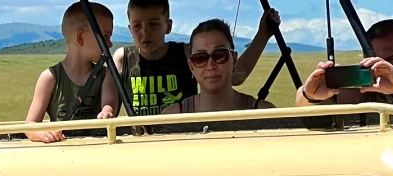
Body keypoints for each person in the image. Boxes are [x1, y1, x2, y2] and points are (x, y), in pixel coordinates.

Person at [99, 0, 279, 119]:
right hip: (142, 141)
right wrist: (107, 111)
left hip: (184, 132)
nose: (145, 33)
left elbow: (235, 75)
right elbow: (109, 104)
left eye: (153, 24)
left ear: (168, 26)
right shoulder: (123, 58)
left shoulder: (185, 53)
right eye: (137, 26)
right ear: (130, 29)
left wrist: (262, 36)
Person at [26, 1, 115, 142]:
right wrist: (43, 134)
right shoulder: (50, 78)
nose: (109, 44)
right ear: (80, 37)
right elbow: (30, 125)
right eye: (104, 37)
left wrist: (107, 112)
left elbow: (108, 106)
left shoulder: (106, 75)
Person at [161, 17, 275, 113]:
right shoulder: (171, 117)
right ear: (191, 66)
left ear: (234, 60)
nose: (211, 65)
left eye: (220, 55)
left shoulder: (264, 114)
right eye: (200, 58)